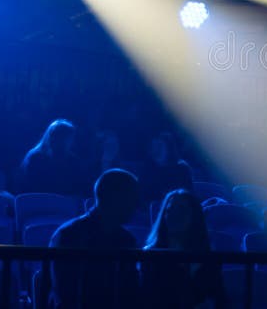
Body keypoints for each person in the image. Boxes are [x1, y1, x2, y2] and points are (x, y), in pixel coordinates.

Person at [49, 169, 140, 308]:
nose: (135, 206)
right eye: (131, 198)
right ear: (114, 198)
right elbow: (66, 295)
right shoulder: (70, 235)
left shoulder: (127, 240)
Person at [142, 189, 226, 308]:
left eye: (182, 210)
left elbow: (219, 297)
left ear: (194, 217)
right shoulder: (151, 255)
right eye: (170, 210)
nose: (174, 215)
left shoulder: (208, 257)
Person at [20, 119, 86, 195]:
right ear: (51, 137)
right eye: (58, 136)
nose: (61, 141)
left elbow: (79, 188)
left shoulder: (74, 161)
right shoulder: (35, 158)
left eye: (65, 138)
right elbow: (29, 187)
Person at [140, 133, 194, 203]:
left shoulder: (182, 168)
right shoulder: (147, 167)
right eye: (153, 146)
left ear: (170, 149)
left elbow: (188, 195)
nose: (155, 150)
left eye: (159, 146)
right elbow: (141, 193)